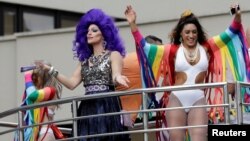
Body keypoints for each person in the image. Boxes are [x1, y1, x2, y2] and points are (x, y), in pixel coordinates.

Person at [125, 4, 248, 141]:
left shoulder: (207, 47)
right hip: (177, 99)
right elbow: (144, 46)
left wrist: (237, 15)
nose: (191, 35)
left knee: (199, 138)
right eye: (187, 32)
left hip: (198, 99)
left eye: (194, 32)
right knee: (176, 138)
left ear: (198, 33)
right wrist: (132, 23)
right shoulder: (172, 50)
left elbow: (231, 32)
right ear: (181, 35)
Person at [36, 8, 130, 141]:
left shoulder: (113, 55)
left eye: (94, 30)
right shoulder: (84, 61)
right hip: (87, 107)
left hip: (106, 105)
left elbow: (116, 74)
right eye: (88, 31)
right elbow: (72, 83)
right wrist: (51, 70)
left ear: (104, 33)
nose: (89, 33)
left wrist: (118, 77)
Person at [116, 35, 163, 125]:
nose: (162, 54)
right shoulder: (143, 61)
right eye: (159, 51)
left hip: (118, 110)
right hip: (123, 113)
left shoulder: (132, 57)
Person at [15, 61, 63, 141]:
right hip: (34, 135)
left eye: (35, 77)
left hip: (45, 133)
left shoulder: (51, 91)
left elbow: (33, 95)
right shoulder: (34, 92)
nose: (32, 80)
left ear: (44, 77)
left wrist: (27, 76)